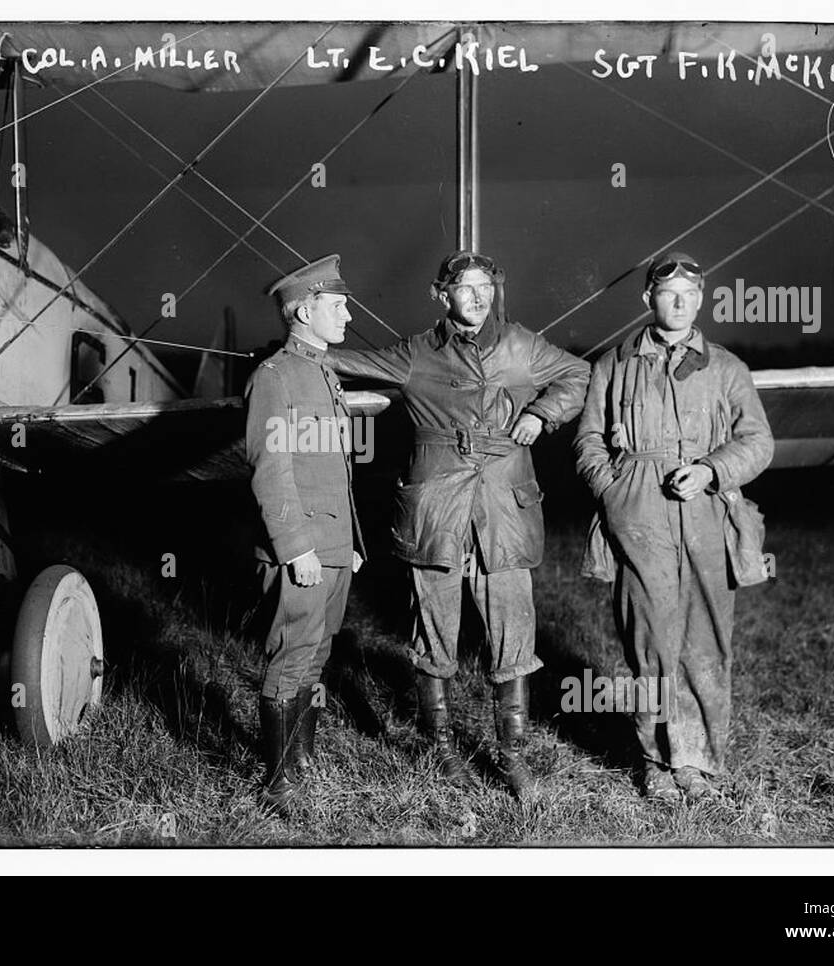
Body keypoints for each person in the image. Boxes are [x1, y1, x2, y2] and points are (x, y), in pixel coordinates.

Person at [327, 251, 589, 801]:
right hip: (437, 512)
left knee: (513, 628)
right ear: (440, 295)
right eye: (465, 288)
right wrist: (298, 350)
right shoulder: (416, 354)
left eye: (486, 286)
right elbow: (349, 362)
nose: (478, 297)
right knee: (435, 625)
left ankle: (512, 753)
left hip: (505, 512)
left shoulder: (522, 346)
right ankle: (441, 746)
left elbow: (578, 373)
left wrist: (543, 414)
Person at [574, 251, 774, 801]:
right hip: (639, 512)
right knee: (651, 638)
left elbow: (758, 442)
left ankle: (701, 764)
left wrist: (713, 467)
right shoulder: (613, 365)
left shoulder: (728, 367)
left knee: (707, 638)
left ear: (702, 298)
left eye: (691, 292)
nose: (680, 302)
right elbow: (589, 439)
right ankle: (658, 763)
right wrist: (614, 492)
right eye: (669, 293)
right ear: (649, 300)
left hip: (709, 511)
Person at [244, 254, 365, 815]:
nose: (346, 313)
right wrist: (297, 549)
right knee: (291, 659)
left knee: (317, 656)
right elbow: (272, 470)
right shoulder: (275, 377)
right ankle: (278, 783)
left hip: (333, 545)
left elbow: (334, 472)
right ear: (302, 310)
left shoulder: (324, 372)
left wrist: (350, 547)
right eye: (336, 304)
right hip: (303, 549)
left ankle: (300, 761)